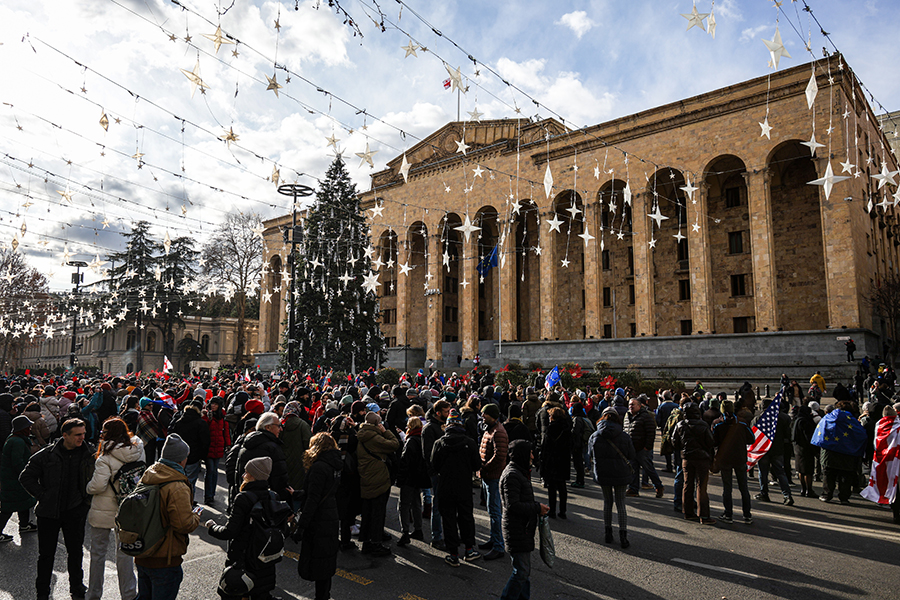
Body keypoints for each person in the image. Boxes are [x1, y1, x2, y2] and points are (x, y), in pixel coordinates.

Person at [19, 418, 95, 600]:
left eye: (83, 434)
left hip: (75, 511)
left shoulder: (88, 452)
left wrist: (85, 502)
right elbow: (26, 477)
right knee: (46, 555)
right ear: (65, 435)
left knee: (76, 552)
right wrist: (43, 496)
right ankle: (42, 592)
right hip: (48, 513)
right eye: (77, 435)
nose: (81, 438)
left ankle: (77, 588)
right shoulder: (47, 455)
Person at [206, 456, 290, 600]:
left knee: (235, 594)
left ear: (253, 475)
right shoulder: (273, 496)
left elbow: (230, 531)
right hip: (265, 559)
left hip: (243, 560)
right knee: (260, 594)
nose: (243, 475)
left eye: (246, 472)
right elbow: (284, 531)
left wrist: (212, 527)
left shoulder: (243, 498)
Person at [134, 433, 201, 600]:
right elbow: (183, 524)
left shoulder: (149, 474)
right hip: (165, 558)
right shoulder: (177, 485)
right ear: (181, 459)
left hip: (143, 552)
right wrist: (196, 517)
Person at [86, 418, 145, 600]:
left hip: (104, 509)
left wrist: (87, 487)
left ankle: (94, 593)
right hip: (128, 509)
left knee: (98, 553)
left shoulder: (105, 458)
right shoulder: (137, 451)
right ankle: (128, 593)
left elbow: (97, 486)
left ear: (108, 434)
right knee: (125, 553)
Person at [431, 408, 482, 567]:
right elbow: (477, 465)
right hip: (464, 486)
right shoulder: (470, 443)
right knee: (466, 517)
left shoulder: (439, 443)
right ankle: (469, 549)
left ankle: (453, 553)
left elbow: (434, 466)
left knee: (448, 519)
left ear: (447, 426)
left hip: (445, 486)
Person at [295, 433, 343, 600]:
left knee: (317, 559)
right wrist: (298, 493)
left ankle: (321, 597)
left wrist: (301, 526)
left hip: (318, 518)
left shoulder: (319, 467)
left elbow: (313, 498)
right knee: (326, 559)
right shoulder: (336, 464)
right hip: (331, 513)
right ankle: (324, 595)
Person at [499, 440, 549, 600]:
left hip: (523, 528)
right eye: (530, 453)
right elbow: (512, 505)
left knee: (524, 572)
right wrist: (536, 508)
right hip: (516, 529)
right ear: (522, 455)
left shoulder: (519, 472)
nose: (533, 456)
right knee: (521, 572)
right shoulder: (512, 475)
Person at [589, 407, 635, 548]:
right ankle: (623, 535)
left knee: (607, 502)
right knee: (621, 503)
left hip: (603, 473)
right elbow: (631, 455)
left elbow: (590, 454)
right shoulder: (624, 435)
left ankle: (608, 532)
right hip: (620, 472)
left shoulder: (595, 436)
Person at [356, 411, 399, 556]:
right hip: (378, 477)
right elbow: (394, 444)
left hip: (366, 475)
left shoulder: (361, 434)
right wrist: (385, 431)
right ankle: (375, 542)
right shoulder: (375, 437)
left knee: (367, 511)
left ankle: (367, 541)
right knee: (377, 512)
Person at [712, 401, 754, 524]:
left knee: (727, 487)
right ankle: (747, 514)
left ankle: (728, 514)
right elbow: (751, 439)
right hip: (740, 457)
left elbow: (713, 441)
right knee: (743, 487)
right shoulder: (742, 423)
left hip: (725, 458)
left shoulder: (717, 424)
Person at [673, 403, 715, 525]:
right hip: (701, 458)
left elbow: (674, 441)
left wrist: (683, 448)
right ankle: (704, 515)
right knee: (701, 486)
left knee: (687, 484)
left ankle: (688, 512)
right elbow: (710, 442)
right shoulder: (703, 425)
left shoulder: (680, 425)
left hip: (687, 457)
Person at [0, 415, 39, 542]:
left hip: (12, 479)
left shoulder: (15, 439)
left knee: (23, 502)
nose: (30, 428)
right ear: (23, 428)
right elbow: (17, 462)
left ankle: (24, 525)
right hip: (14, 480)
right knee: (9, 507)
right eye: (28, 426)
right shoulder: (17, 442)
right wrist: (26, 474)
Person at [423, 399, 451, 550]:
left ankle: (448, 534)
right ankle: (437, 537)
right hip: (438, 473)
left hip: (447, 472)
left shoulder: (445, 426)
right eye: (446, 412)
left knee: (448, 505)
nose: (449, 414)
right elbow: (428, 454)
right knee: (438, 506)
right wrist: (435, 470)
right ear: (438, 413)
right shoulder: (429, 429)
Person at [396, 416, 429, 547]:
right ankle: (418, 529)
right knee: (416, 503)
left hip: (409, 477)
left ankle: (405, 532)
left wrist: (400, 478)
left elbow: (405, 461)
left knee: (404, 505)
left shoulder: (410, 441)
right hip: (419, 476)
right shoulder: (423, 438)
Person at [170, 400, 210, 503]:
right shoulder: (201, 423)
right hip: (194, 456)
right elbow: (205, 442)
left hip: (179, 456)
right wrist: (203, 456)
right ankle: (188, 502)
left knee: (179, 480)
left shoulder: (178, 422)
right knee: (191, 481)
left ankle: (180, 501)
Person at [624, 397, 664, 498]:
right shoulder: (627, 416)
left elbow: (651, 433)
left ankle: (658, 486)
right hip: (631, 448)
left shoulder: (645, 416)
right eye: (629, 405)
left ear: (639, 405)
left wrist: (647, 447)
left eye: (633, 405)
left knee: (648, 468)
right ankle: (633, 489)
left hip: (642, 449)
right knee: (633, 469)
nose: (631, 407)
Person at [540, 407, 571, 519]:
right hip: (563, 461)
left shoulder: (550, 429)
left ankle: (552, 510)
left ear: (553, 417)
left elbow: (545, 448)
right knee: (562, 487)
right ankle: (563, 511)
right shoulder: (566, 429)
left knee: (552, 488)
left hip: (551, 460)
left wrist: (542, 462)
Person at [203, 396, 231, 506]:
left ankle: (212, 494)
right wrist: (206, 418)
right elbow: (204, 430)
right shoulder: (207, 415)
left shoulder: (223, 417)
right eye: (212, 404)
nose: (213, 406)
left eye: (215, 404)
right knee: (210, 471)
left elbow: (226, 433)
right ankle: (208, 496)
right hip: (209, 447)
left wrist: (228, 445)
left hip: (219, 447)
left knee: (214, 472)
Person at [792, 404, 818, 497]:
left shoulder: (797, 420)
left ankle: (803, 489)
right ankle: (809, 489)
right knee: (808, 471)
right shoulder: (806, 421)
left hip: (798, 448)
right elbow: (809, 436)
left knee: (800, 470)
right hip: (806, 449)